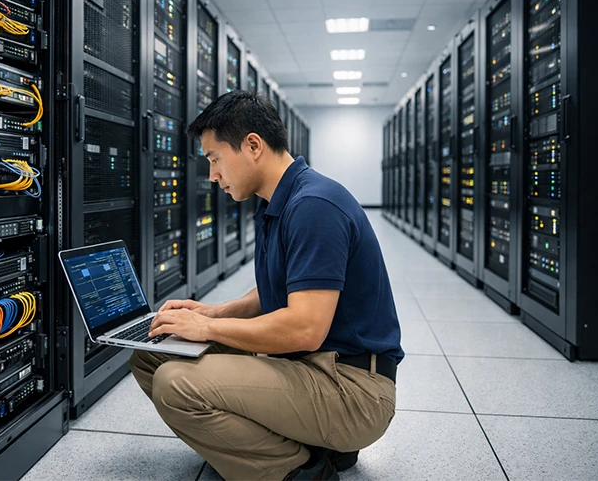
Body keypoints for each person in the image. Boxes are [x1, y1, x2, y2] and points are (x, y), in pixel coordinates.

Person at [130, 90, 403, 481]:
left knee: (176, 385)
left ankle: (301, 469)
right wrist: (211, 312)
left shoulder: (314, 205)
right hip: (311, 366)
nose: (212, 175)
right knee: (152, 354)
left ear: (253, 146)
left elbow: (304, 328)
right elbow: (280, 289)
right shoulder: (280, 201)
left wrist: (206, 329)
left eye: (214, 159)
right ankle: (301, 442)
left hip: (352, 390)